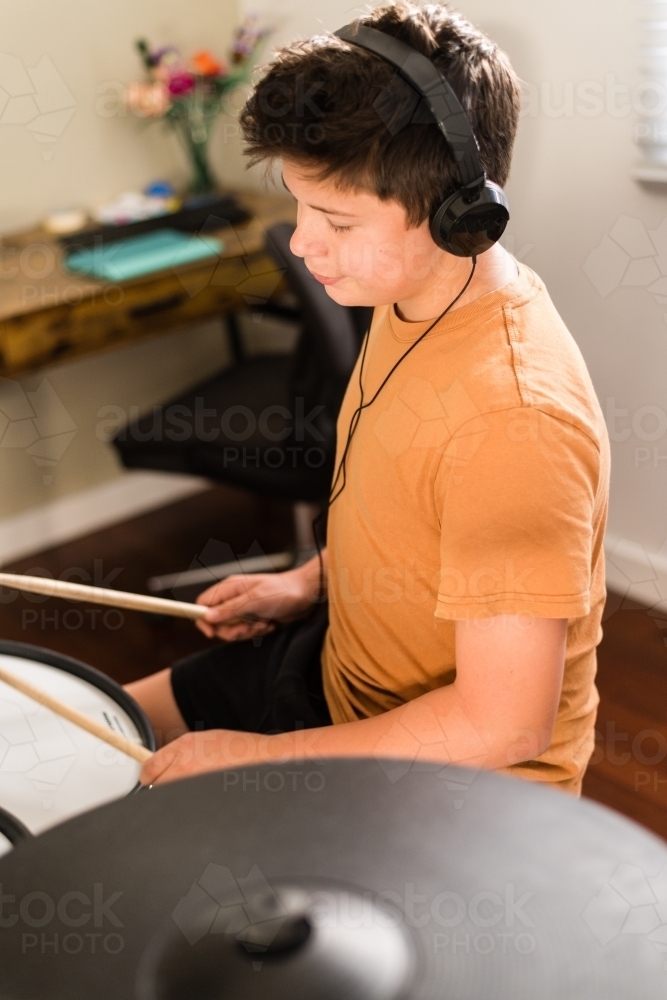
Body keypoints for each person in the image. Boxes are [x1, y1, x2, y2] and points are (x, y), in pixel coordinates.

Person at [131, 1, 610, 795]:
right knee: (82, 723)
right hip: (333, 669)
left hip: (451, 780)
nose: (301, 240)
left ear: (461, 214)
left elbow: (502, 722)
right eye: (298, 203)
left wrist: (251, 756)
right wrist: (306, 583)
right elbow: (402, 518)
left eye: (336, 220)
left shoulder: (513, 422)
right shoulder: (408, 296)